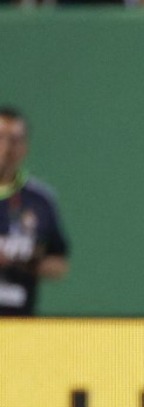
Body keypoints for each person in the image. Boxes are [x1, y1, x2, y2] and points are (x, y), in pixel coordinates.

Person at [0, 107, 69, 317]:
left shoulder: (39, 201)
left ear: (24, 148)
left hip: (20, 322)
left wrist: (21, 262)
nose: (6, 148)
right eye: (0, 137)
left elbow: (59, 266)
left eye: (15, 140)